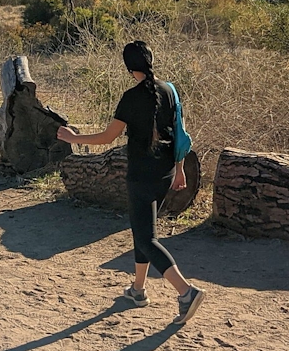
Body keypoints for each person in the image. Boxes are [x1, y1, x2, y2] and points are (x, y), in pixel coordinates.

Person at [57, 41, 205, 325]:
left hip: (141, 176)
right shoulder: (169, 90)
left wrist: (73, 138)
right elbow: (179, 135)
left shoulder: (131, 97)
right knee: (144, 232)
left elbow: (107, 138)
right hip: (166, 174)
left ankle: (186, 292)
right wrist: (180, 169)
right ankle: (138, 289)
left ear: (128, 68)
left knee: (146, 237)